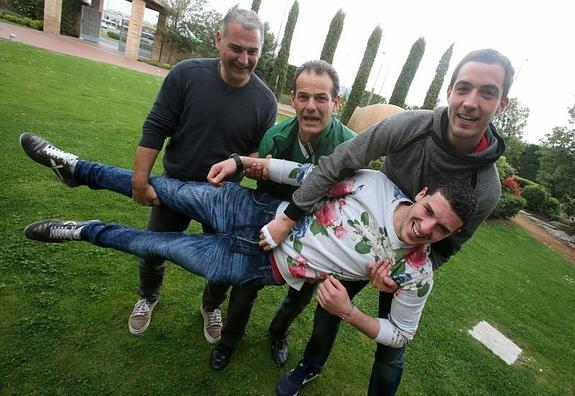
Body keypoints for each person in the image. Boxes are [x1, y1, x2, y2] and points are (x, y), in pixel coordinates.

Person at [20, 132, 476, 365]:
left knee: (150, 243)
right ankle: (74, 165)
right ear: (424, 193)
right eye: (431, 211)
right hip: (250, 210)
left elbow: (403, 335)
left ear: (448, 238)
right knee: (159, 188)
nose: (426, 228)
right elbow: (305, 174)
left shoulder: (415, 272)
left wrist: (350, 313)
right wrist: (242, 162)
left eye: (441, 231)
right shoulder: (376, 184)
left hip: (255, 265)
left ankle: (80, 230)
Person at [263, 49, 514, 396]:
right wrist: (290, 216)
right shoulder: (410, 126)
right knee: (328, 309)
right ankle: (310, 366)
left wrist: (400, 274)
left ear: (502, 104)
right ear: (449, 91)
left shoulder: (486, 188)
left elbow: (448, 247)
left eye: (487, 92)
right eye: (463, 87)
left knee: (392, 349)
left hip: (399, 263)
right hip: (362, 239)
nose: (471, 102)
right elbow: (341, 161)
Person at [129, 6, 277, 338]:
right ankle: (147, 297)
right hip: (176, 186)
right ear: (218, 40)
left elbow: (255, 153)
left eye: (252, 51)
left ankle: (210, 306)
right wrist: (140, 179)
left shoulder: (265, 101)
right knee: (152, 248)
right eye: (236, 48)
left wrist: (259, 165)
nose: (244, 59)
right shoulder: (186, 74)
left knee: (224, 261)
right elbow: (156, 127)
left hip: (225, 196)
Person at [205, 60, 357, 371]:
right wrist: (264, 172)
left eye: (321, 98)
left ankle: (278, 333)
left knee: (300, 295)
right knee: (246, 281)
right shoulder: (274, 138)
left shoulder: (351, 145)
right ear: (293, 98)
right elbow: (262, 195)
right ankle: (229, 340)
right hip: (272, 220)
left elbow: (351, 198)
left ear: (336, 101)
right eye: (303, 97)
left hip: (317, 235)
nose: (311, 107)